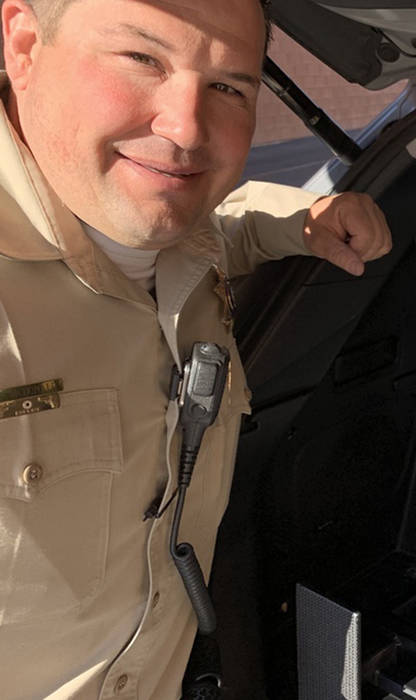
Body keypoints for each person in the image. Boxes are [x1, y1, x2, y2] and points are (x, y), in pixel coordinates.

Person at [0, 0, 392, 697]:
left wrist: (303, 219)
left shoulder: (171, 226)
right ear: (24, 44)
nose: (186, 129)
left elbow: (209, 228)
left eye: (230, 87)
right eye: (142, 59)